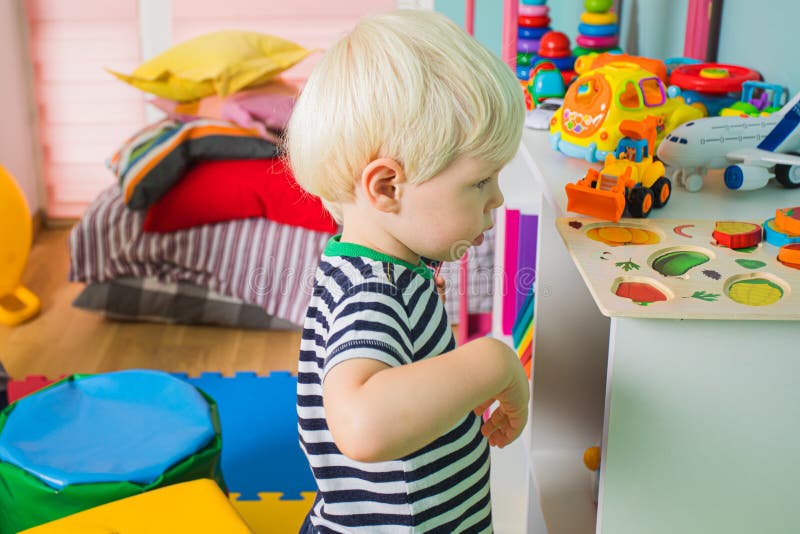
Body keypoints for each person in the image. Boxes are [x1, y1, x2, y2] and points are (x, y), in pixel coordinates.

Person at [286, 9, 528, 533]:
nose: (499, 199)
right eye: (481, 181)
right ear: (387, 189)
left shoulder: (383, 266)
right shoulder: (372, 291)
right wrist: (492, 362)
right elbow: (362, 424)